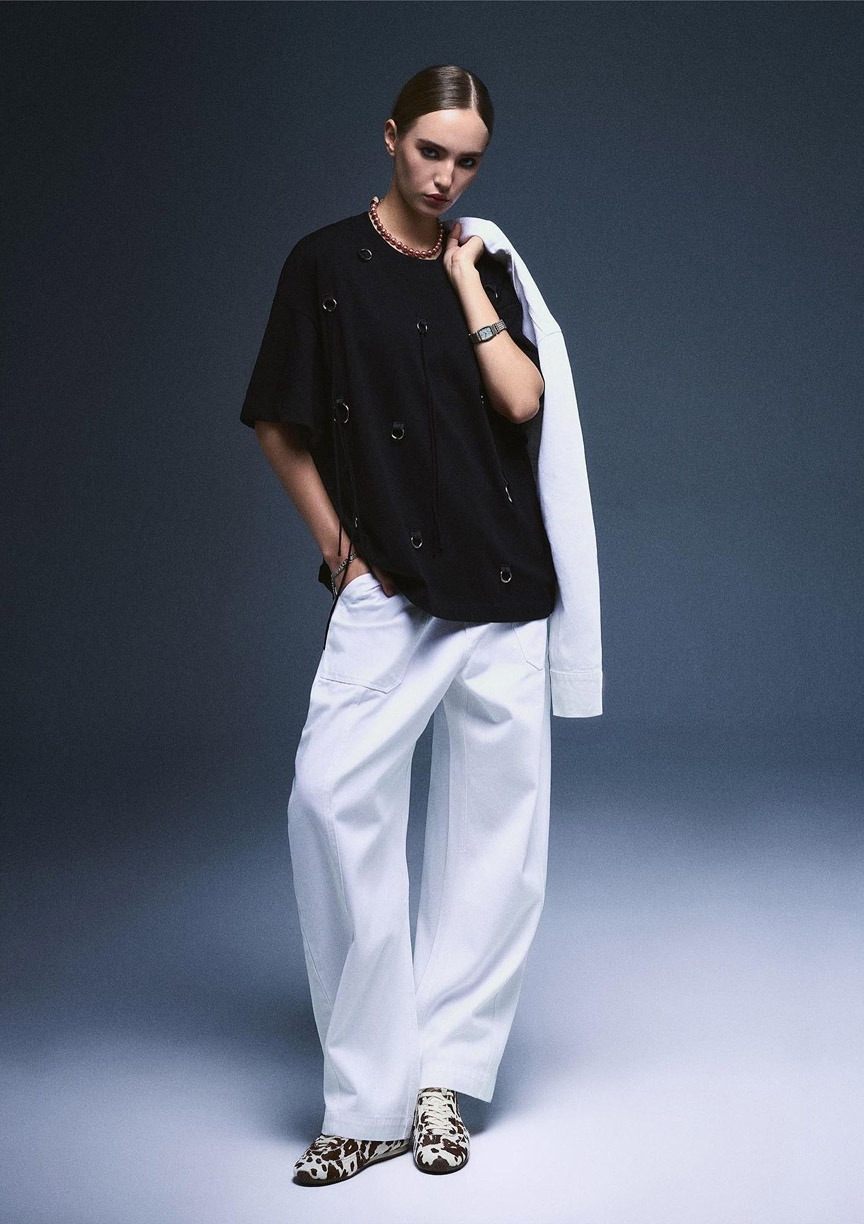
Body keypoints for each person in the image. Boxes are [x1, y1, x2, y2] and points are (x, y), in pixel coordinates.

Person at [239, 64, 586, 1186]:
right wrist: (340, 554)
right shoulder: (324, 265)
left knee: (494, 844)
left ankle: (441, 1085)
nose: (446, 177)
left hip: (502, 586)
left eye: (467, 160)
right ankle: (367, 1100)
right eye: (430, 151)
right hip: (390, 590)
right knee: (328, 799)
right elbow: (278, 421)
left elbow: (522, 402)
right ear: (390, 137)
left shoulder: (488, 262)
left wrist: (470, 278)